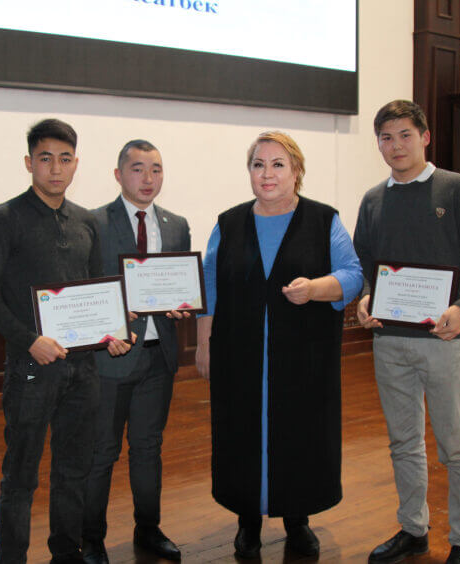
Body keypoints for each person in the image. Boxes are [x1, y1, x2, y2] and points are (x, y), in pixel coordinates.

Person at [195, 131, 362, 558]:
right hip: (239, 356)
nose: (267, 174)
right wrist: (203, 344)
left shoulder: (324, 220)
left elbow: (352, 275)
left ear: (296, 171)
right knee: (240, 435)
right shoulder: (228, 223)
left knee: (300, 435)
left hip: (303, 358)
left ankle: (297, 519)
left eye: (277, 164)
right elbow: (208, 285)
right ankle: (247, 521)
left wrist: (317, 288)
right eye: (258, 164)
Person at [0, 119, 132, 563]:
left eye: (65, 159)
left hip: (82, 371)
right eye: (46, 159)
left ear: (76, 164)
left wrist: (111, 332)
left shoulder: (86, 221)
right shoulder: (5, 219)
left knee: (73, 470)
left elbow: (95, 289)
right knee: (20, 475)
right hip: (31, 368)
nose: (56, 169)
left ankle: (66, 553)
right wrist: (29, 341)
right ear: (29, 163)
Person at [354, 100, 460, 564]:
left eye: (405, 135)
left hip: (444, 342)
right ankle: (413, 529)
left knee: (457, 447)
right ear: (378, 143)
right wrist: (366, 297)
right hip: (389, 342)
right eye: (386, 138)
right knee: (403, 443)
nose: (396, 146)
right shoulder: (373, 200)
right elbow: (364, 262)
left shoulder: (456, 189)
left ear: (425, 137)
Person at [81, 140, 191, 563]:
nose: (148, 178)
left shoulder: (176, 224)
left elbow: (179, 283)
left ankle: (148, 528)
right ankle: (91, 538)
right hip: (110, 357)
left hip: (159, 357)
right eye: (138, 169)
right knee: (102, 452)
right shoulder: (93, 222)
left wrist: (183, 304)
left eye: (156, 169)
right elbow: (85, 287)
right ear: (118, 174)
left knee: (148, 448)